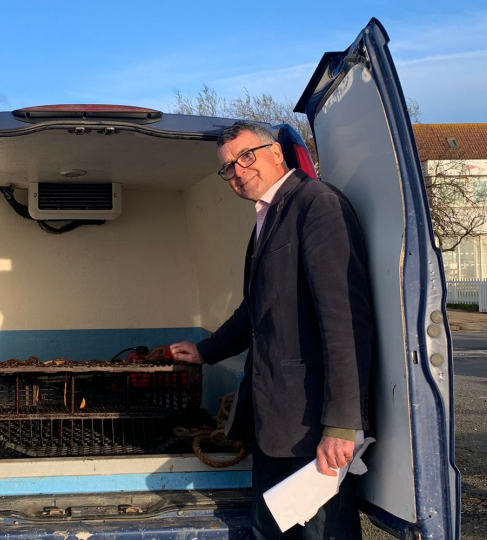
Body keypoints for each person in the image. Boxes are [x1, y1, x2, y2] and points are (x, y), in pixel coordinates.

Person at [170, 121, 372, 540]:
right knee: (268, 532)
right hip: (274, 424)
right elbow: (256, 310)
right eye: (227, 168)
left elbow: (345, 320)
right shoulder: (266, 218)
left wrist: (340, 424)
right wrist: (204, 350)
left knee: (322, 534)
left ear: (276, 152)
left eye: (246, 156)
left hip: (315, 428)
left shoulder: (317, 204)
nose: (238, 171)